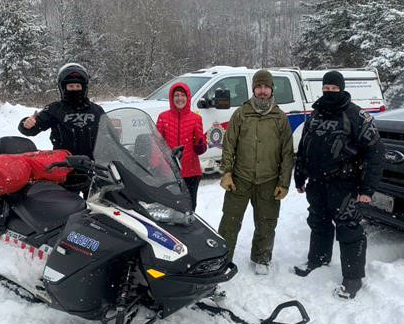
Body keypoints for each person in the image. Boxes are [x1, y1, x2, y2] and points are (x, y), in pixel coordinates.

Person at [293, 70, 383, 299]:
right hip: (317, 183)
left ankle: (353, 278)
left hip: (345, 184)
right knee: (318, 222)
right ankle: (318, 259)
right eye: (326, 88)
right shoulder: (315, 115)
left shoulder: (355, 115)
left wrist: (367, 189)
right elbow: (305, 146)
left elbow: (375, 151)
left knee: (348, 228)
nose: (329, 92)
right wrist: (300, 175)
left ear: (341, 89)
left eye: (334, 89)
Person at [218, 69, 293, 275]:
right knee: (229, 221)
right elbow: (229, 145)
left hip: (269, 180)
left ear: (271, 89)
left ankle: (261, 257)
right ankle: (222, 259)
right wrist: (227, 172)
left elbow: (287, 153)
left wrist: (284, 182)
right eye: (258, 87)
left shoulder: (280, 117)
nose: (262, 91)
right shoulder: (241, 114)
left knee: (266, 222)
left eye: (266, 87)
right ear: (253, 89)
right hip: (240, 178)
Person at [18, 63, 105, 196]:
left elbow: (109, 135)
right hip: (64, 167)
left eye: (78, 86)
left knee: (101, 208)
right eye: (70, 86)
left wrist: (117, 129)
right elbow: (33, 128)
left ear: (84, 87)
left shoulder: (96, 110)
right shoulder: (55, 109)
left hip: (92, 167)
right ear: (63, 88)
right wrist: (27, 123)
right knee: (68, 209)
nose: (75, 89)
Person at [156, 82, 207, 210]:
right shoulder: (163, 117)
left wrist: (201, 143)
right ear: (171, 98)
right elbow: (156, 144)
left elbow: (200, 149)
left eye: (183, 95)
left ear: (188, 97)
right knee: (170, 208)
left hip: (191, 172)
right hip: (169, 173)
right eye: (176, 95)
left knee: (189, 207)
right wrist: (156, 165)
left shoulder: (196, 118)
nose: (180, 98)